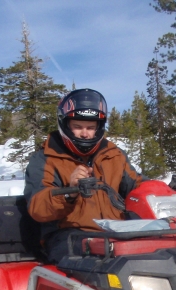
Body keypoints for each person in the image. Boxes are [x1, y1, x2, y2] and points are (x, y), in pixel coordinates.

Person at [24, 88, 142, 263]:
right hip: (69, 235)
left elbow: (136, 185)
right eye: (78, 127)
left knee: (161, 253)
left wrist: (161, 190)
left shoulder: (114, 155)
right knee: (93, 265)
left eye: (90, 127)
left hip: (116, 232)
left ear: (98, 128)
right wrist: (69, 192)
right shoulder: (46, 158)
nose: (85, 133)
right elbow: (37, 207)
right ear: (66, 125)